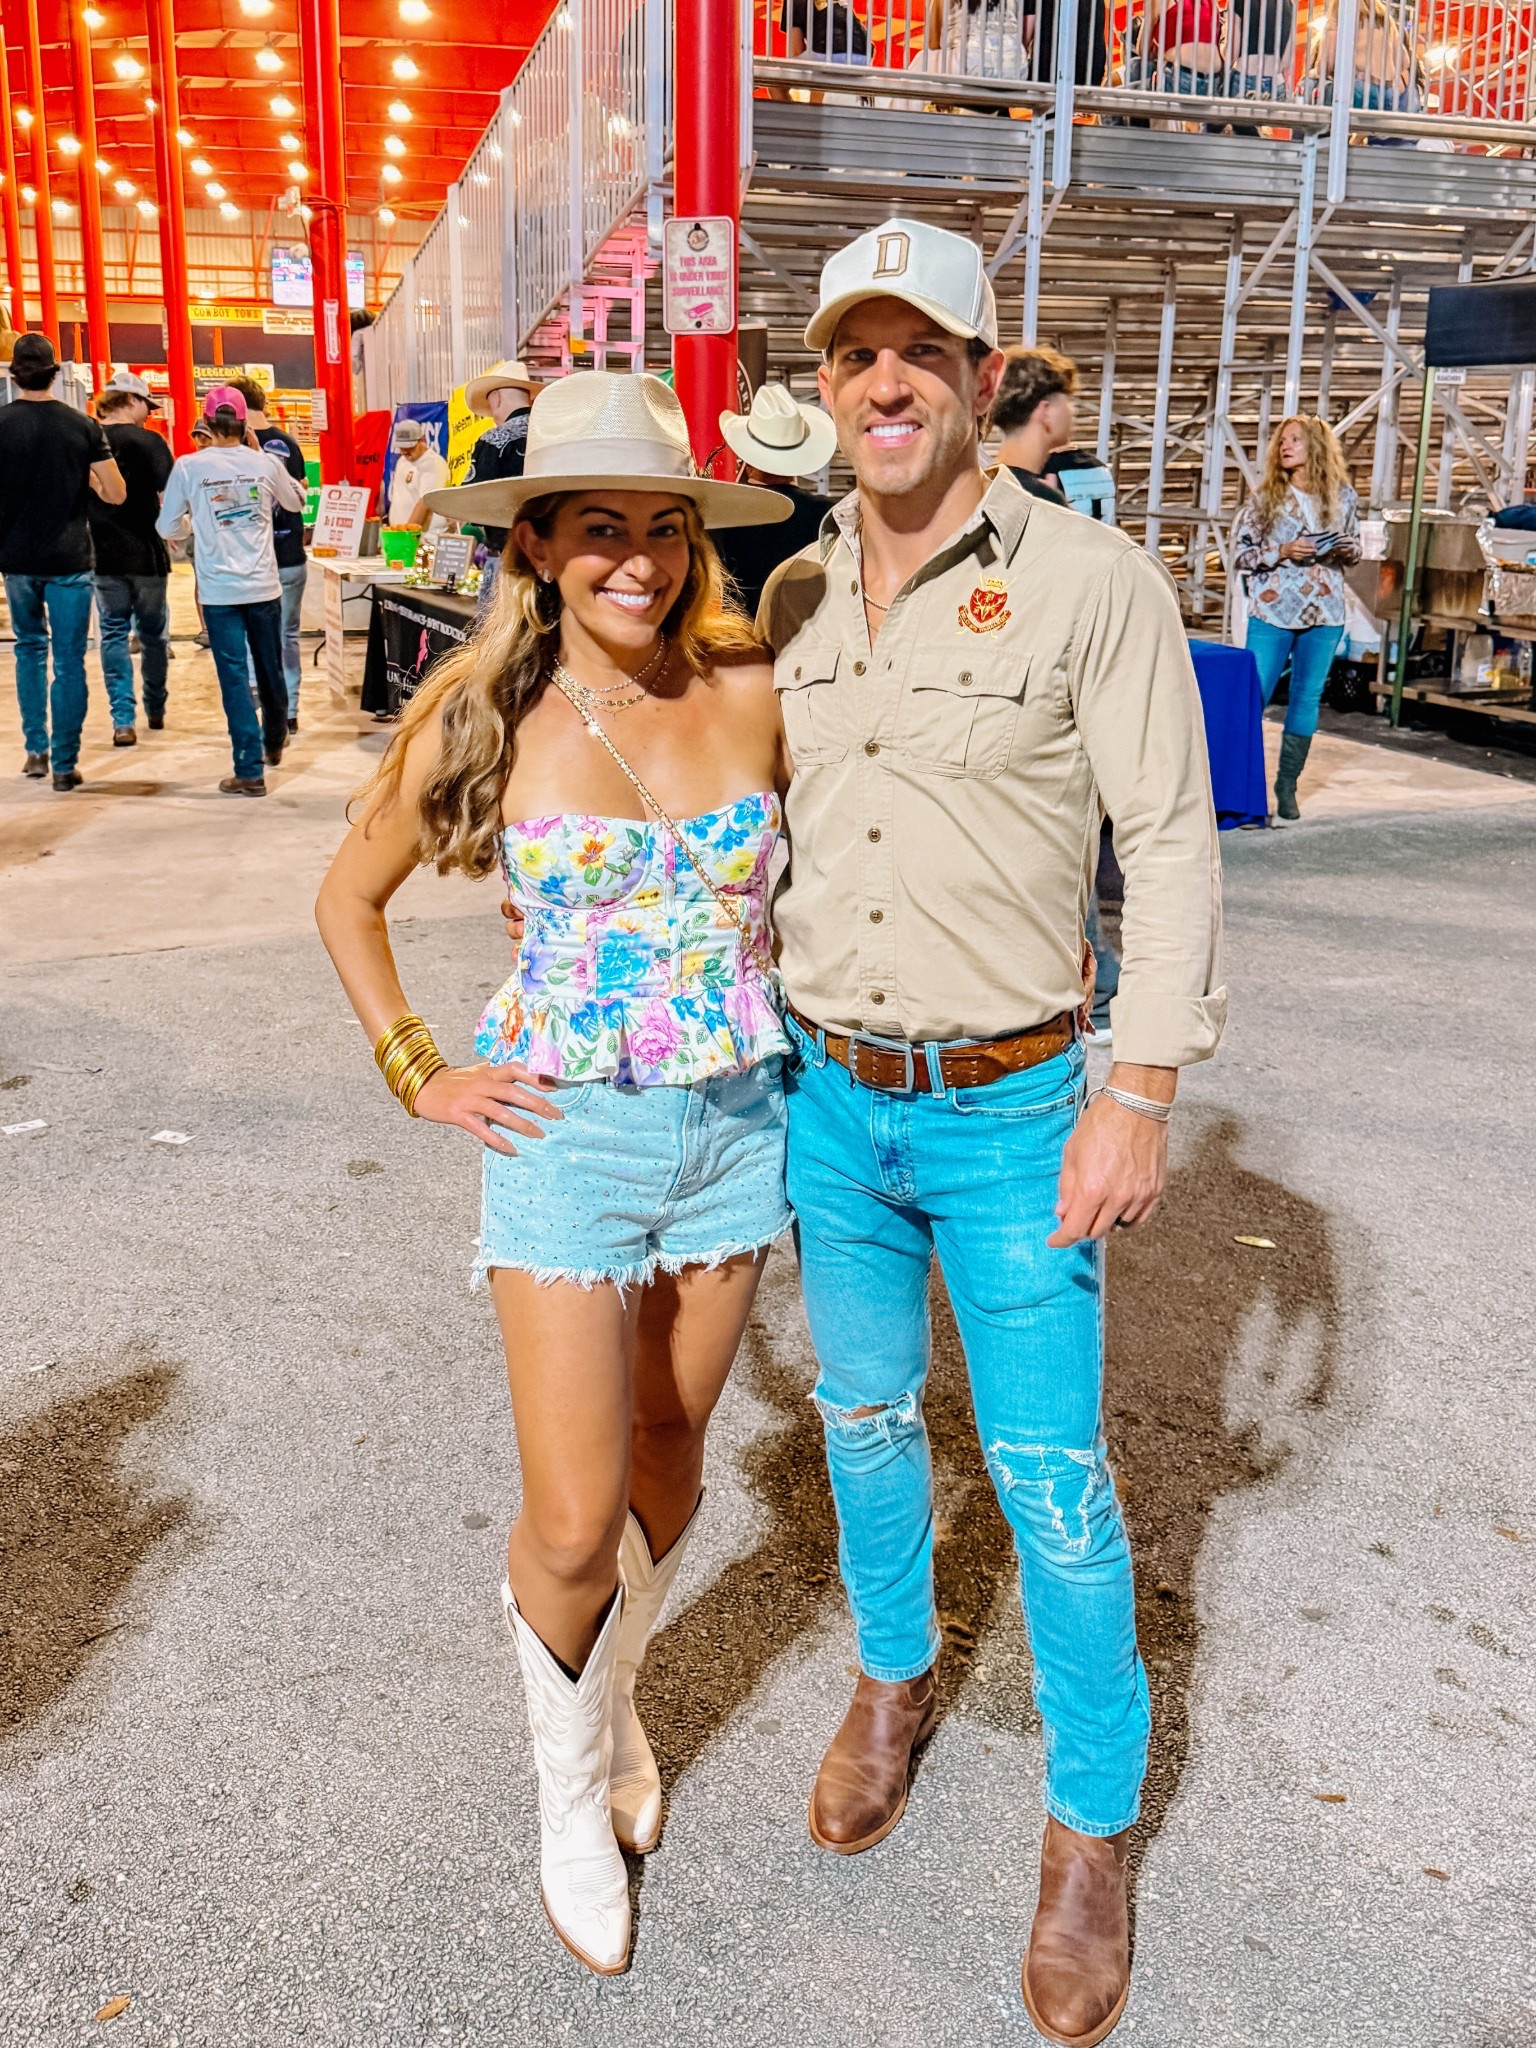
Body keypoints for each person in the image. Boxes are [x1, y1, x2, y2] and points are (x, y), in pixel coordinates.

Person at [761, 218, 1225, 2047]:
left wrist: (1142, 1086)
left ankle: (1090, 1824)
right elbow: (748, 820)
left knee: (1047, 1475)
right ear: (825, 385)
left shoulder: (1092, 579)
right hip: (829, 1099)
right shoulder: (791, 598)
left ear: (975, 373)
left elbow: (1170, 844)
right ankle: (892, 1680)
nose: (884, 383)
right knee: (863, 1418)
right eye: (852, 356)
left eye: (918, 353)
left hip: (1019, 1104)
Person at [315, 372, 793, 1978]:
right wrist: (421, 1068)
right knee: (579, 1515)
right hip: (564, 1144)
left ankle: (619, 1710)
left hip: (738, 1128)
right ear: (534, 545)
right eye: (602, 531)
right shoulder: (476, 710)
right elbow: (347, 900)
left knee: (673, 1457)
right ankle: (565, 1796)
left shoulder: (752, 686)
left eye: (664, 528)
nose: (639, 561)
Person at [156, 384, 307, 797]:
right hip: (263, 585)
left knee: (235, 677)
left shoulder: (189, 467)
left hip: (220, 592)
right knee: (270, 666)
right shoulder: (264, 464)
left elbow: (166, 526)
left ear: (206, 423)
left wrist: (192, 528)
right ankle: (274, 739)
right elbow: (296, 503)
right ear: (244, 425)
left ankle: (249, 768)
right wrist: (259, 454)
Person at [0, 333, 126, 789]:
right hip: (71, 559)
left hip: (17, 561)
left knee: (29, 650)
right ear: (55, 372)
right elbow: (116, 493)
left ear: (14, 375)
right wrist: (85, 483)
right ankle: (64, 764)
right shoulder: (83, 426)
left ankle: (35, 750)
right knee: (69, 660)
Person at [1232, 413, 1361, 821]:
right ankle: (1239, 788)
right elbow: (1240, 554)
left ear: (1316, 449)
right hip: (1273, 610)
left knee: (1306, 699)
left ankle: (1286, 786)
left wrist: (1341, 548)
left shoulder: (1343, 497)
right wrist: (1282, 552)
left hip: (1325, 612)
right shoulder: (1265, 497)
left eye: (1295, 440)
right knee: (1254, 696)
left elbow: (1356, 551)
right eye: (1282, 441)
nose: (1285, 446)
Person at [89, 382, 174, 743]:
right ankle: (155, 707)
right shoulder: (151, 442)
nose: (149, 413)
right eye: (147, 405)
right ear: (130, 400)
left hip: (102, 553)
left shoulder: (87, 439)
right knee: (153, 635)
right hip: (147, 555)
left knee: (112, 633)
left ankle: (122, 719)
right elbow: (171, 493)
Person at [225, 377, 309, 736]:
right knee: (287, 635)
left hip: (250, 559)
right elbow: (301, 490)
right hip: (289, 553)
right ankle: (289, 710)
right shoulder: (289, 443)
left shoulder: (233, 450)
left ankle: (257, 707)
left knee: (248, 636)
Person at [714, 383, 839, 619]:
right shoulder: (827, 515)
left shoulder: (722, 514)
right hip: (807, 642)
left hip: (738, 643)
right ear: (802, 455)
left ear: (746, 458)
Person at [461, 359, 539, 610]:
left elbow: (470, 500)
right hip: (553, 561)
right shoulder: (550, 436)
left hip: (508, 562)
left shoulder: (494, 440)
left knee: (496, 641)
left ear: (496, 399)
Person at [386, 416, 449, 530]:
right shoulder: (402, 461)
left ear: (422, 440)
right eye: (401, 447)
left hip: (424, 537)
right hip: (400, 534)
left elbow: (424, 503)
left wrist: (407, 534)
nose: (405, 451)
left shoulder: (433, 464)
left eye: (410, 447)